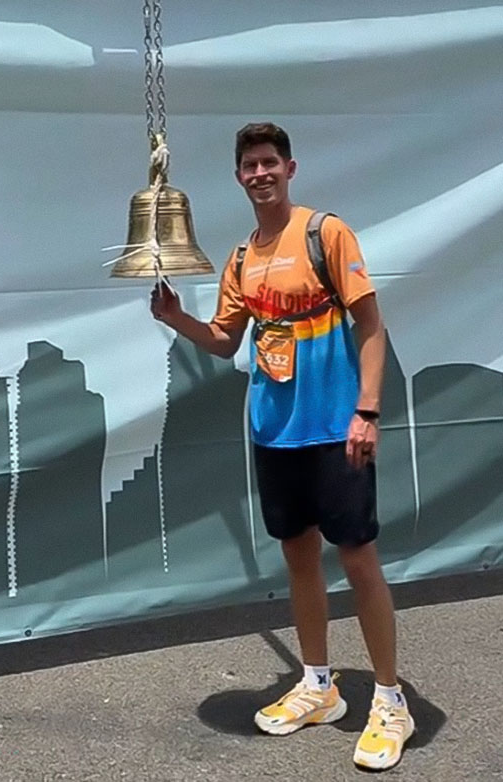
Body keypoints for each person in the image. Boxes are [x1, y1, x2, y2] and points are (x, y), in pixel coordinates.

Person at [150, 122, 414, 770]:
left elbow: (371, 325)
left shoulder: (325, 233)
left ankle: (390, 700)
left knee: (357, 557)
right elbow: (225, 341)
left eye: (270, 162)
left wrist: (367, 411)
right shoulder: (242, 258)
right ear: (239, 177)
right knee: (298, 557)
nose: (260, 173)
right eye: (250, 166)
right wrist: (176, 318)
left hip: (336, 428)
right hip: (274, 430)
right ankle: (319, 685)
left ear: (289, 169)